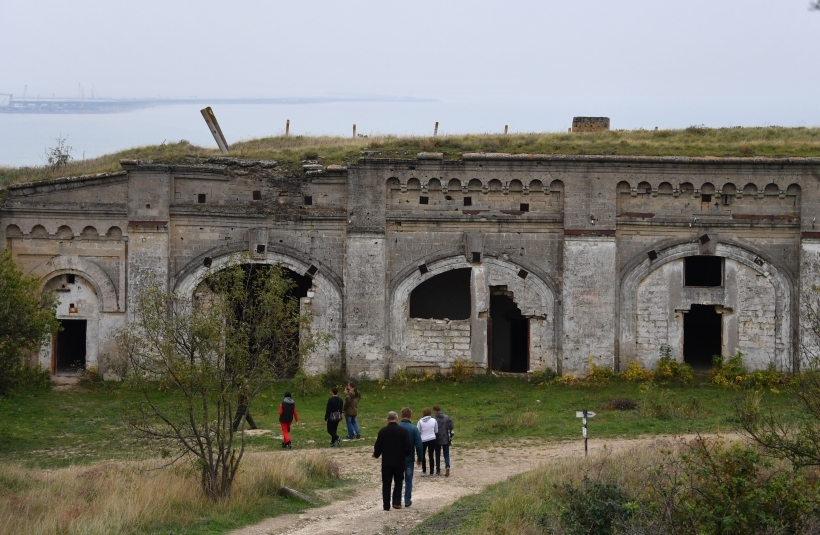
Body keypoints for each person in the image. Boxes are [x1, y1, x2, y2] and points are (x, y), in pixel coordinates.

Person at [373, 411, 412, 511]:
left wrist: (376, 455)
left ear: (387, 419)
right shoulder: (403, 431)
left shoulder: (383, 431)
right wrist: (404, 455)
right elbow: (408, 447)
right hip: (399, 462)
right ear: (397, 419)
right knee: (398, 481)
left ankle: (386, 505)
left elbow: (378, 447)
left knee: (386, 483)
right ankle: (396, 502)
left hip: (387, 462)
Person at [398, 407, 423, 507]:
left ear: (401, 415)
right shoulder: (414, 429)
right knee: (408, 480)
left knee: (398, 479)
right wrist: (420, 458)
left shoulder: (397, 427)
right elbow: (419, 445)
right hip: (409, 459)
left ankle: (397, 500)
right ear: (410, 416)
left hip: (398, 459)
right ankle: (407, 500)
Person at [433, 404, 455, 477]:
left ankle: (438, 470)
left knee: (437, 454)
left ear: (435, 411)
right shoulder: (446, 417)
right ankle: (447, 466)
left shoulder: (434, 419)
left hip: (437, 439)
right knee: (446, 454)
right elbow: (452, 426)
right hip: (445, 438)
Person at [416, 407, 438, 477]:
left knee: (423, 455)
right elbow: (436, 431)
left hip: (423, 440)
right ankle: (431, 472)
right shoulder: (434, 420)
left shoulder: (420, 421)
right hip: (432, 439)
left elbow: (418, 431)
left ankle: (424, 470)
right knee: (431, 455)